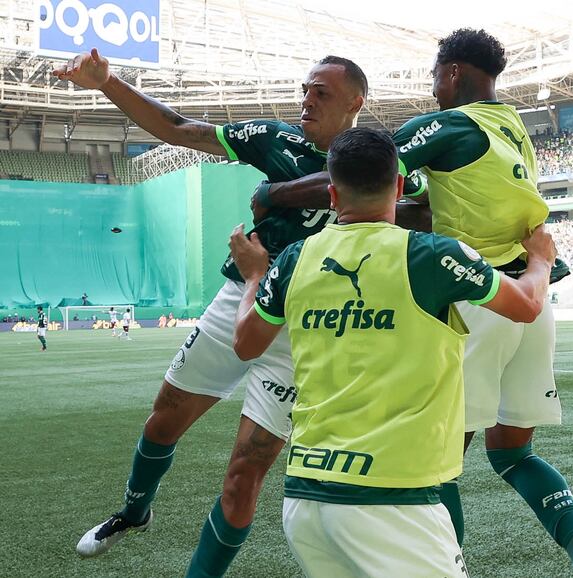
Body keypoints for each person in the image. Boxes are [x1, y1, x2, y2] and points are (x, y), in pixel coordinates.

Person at [255, 29, 573, 578]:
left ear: (452, 73)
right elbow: (433, 199)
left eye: (433, 77)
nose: (431, 89)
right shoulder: (514, 128)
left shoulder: (453, 124)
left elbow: (366, 168)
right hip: (533, 296)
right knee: (513, 452)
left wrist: (274, 194)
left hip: (480, 296)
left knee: (439, 465)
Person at [55, 49, 423, 574]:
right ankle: (134, 514)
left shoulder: (379, 160)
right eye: (306, 89)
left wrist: (280, 194)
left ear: (356, 101)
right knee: (164, 418)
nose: (307, 100)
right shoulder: (276, 140)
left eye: (322, 92)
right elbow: (182, 129)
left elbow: (419, 208)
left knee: (244, 472)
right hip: (238, 301)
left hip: (307, 330)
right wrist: (108, 81)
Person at [230, 127, 556, 577]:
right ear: (399, 186)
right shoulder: (429, 254)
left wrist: (253, 279)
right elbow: (526, 305)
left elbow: (245, 344)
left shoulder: (294, 260)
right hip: (392, 501)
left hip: (305, 499)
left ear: (331, 193)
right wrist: (541, 260)